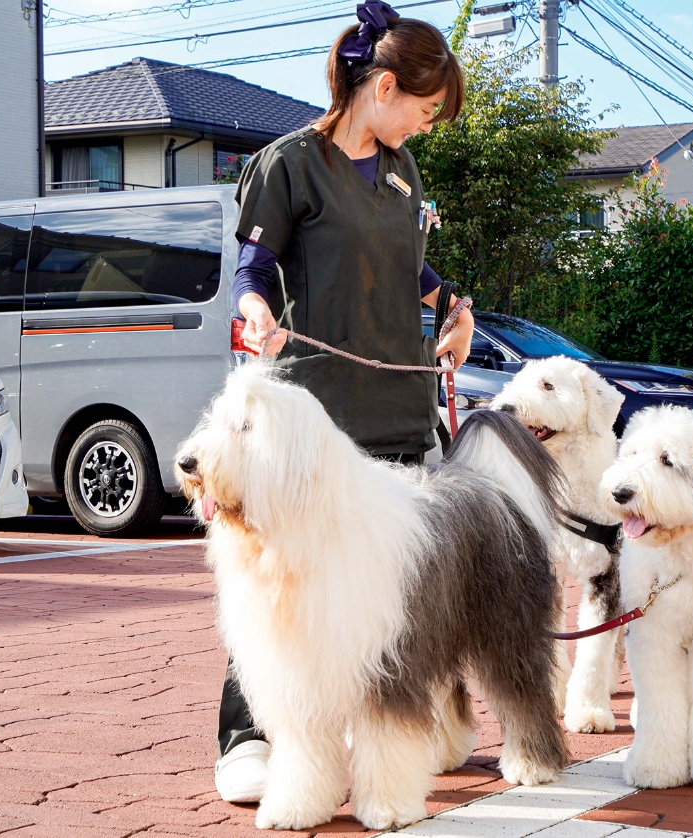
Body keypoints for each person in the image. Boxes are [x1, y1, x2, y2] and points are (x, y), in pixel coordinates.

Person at [213, 1, 472, 803]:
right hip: (313, 424)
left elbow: (412, 269)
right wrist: (255, 309)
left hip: (398, 410)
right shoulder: (288, 164)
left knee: (382, 595)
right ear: (385, 86)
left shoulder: (402, 171)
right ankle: (250, 735)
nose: (428, 127)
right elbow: (254, 269)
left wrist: (454, 308)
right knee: (283, 582)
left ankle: (379, 733)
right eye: (426, 111)